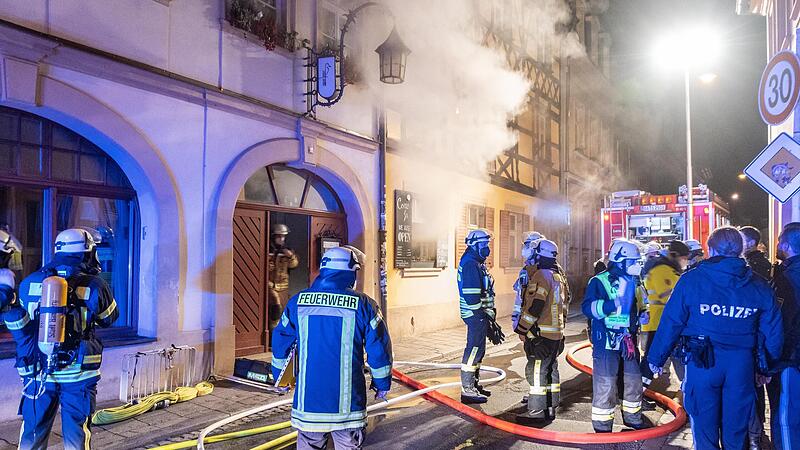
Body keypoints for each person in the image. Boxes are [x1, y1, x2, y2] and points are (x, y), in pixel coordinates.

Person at [646, 227, 783, 450]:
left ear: (711, 249)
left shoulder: (692, 280)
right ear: (741, 250)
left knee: (703, 426)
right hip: (741, 366)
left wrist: (656, 358)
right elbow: (774, 331)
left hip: (702, 363)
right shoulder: (759, 285)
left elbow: (671, 321)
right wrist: (767, 367)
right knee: (737, 429)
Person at [270, 246, 392, 450]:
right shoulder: (365, 305)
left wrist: (280, 379)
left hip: (308, 405)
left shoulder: (297, 303)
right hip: (348, 408)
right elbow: (379, 350)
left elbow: (281, 344)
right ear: (351, 273)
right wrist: (382, 384)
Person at [14, 228, 119, 450]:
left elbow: (22, 323)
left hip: (39, 372)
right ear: (87, 253)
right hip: (79, 373)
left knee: (33, 430)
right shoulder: (96, 285)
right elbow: (109, 318)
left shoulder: (30, 282)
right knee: (76, 433)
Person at [582, 239, 647, 432]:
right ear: (620, 260)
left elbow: (641, 303)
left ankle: (633, 417)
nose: (636, 265)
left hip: (628, 341)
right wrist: (612, 304)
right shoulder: (598, 281)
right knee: (606, 383)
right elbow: (588, 308)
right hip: (606, 341)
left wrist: (643, 313)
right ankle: (603, 425)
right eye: (632, 261)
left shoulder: (635, 281)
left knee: (634, 380)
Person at [515, 239, 570, 421]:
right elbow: (564, 307)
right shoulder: (558, 276)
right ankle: (551, 407)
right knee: (551, 369)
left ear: (539, 254)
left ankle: (536, 412)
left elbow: (534, 307)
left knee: (537, 372)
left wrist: (522, 329)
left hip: (541, 335)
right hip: (555, 334)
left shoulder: (541, 276)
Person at [738, 225, 772, 449]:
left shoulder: (753, 267)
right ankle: (754, 434)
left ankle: (754, 435)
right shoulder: (763, 265)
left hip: (751, 339)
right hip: (755, 340)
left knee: (752, 390)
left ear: (748, 243)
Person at [767, 224, 800, 450]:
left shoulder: (786, 279)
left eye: (779, 242)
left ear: (786, 246)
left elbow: (779, 323)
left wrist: (769, 361)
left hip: (790, 359)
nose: (777, 245)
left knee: (786, 420)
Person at [457, 228, 497, 404]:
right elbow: (471, 295)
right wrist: (482, 315)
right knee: (473, 350)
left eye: (488, 244)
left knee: (478, 350)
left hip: (479, 314)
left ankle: (474, 384)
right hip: (475, 314)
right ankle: (468, 389)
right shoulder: (471, 264)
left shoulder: (476, 262)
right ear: (474, 245)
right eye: (484, 244)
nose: (487, 247)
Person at [640, 240, 689, 379]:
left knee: (672, 357)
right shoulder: (662, 270)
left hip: (667, 321)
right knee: (651, 359)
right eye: (683, 258)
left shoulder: (668, 270)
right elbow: (670, 295)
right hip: (659, 322)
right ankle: (638, 393)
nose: (685, 261)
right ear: (674, 255)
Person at [512, 231, 545, 333]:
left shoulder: (543, 271)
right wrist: (516, 317)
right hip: (526, 320)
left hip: (539, 322)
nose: (524, 249)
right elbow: (520, 297)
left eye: (527, 246)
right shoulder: (525, 270)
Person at [268, 223, 299, 331]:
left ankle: (282, 331)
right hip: (270, 285)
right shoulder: (268, 249)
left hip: (284, 285)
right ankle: (273, 331)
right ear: (273, 237)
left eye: (283, 236)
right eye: (279, 237)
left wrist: (290, 256)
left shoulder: (288, 250)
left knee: (285, 307)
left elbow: (294, 265)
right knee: (275, 305)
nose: (282, 239)